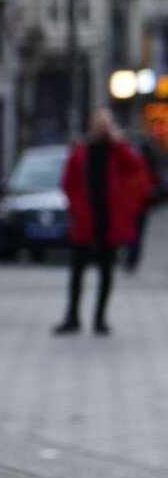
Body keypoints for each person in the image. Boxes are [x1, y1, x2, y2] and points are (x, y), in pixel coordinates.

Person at [54, 109, 151, 336]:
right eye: (99, 124)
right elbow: (68, 183)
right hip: (84, 221)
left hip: (109, 220)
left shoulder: (118, 151)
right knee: (77, 272)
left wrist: (119, 143)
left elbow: (135, 167)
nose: (102, 129)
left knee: (106, 272)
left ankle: (100, 319)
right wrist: (77, 207)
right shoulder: (81, 152)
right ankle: (72, 317)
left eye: (106, 125)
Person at [125, 137, 160, 272]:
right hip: (137, 205)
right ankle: (132, 257)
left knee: (134, 233)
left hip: (137, 205)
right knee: (136, 233)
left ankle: (132, 257)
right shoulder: (145, 165)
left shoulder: (142, 166)